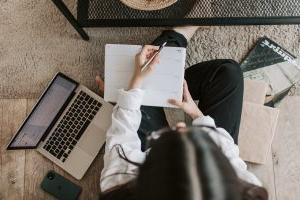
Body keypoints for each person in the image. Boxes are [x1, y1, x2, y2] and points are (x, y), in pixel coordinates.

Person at [97, 27, 268, 200]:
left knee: (121, 85)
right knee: (228, 72)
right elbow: (229, 153)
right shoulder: (245, 191)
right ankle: (173, 53)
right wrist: (197, 114)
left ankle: (177, 36)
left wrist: (134, 83)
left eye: (167, 141)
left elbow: (122, 137)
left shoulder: (118, 186)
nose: (179, 125)